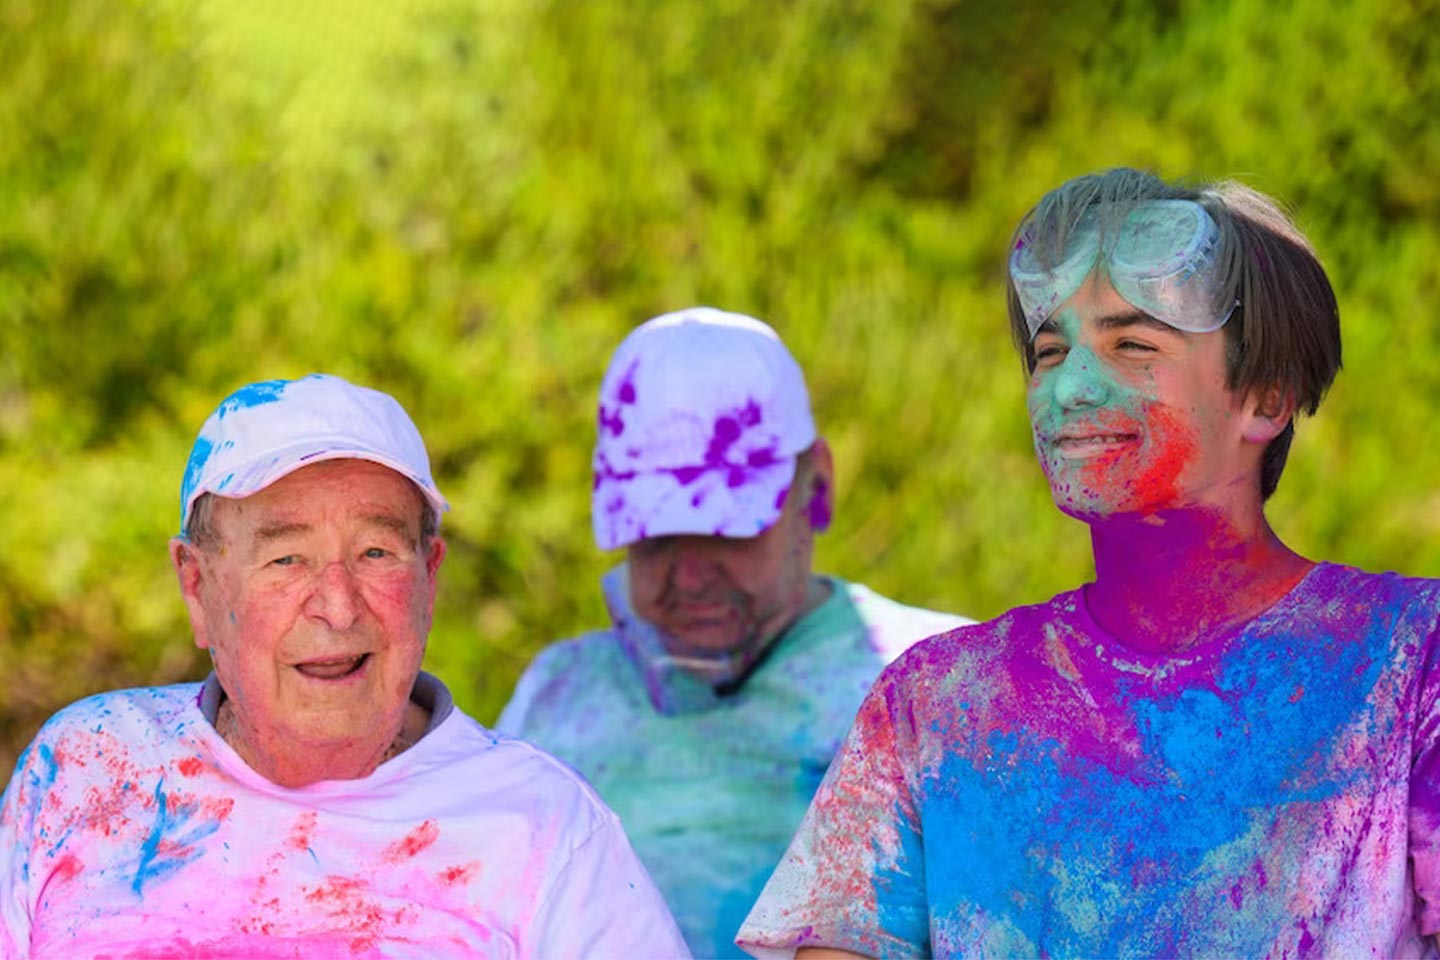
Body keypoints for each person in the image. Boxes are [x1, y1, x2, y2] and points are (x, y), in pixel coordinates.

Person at [736, 169, 1440, 957]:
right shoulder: (939, 702)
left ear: (1266, 400)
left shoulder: (1409, 662)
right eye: (1048, 351)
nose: (1068, 387)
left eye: (1133, 344)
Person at [0, 373, 689, 958]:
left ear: (430, 578)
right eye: (285, 558)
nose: (336, 606)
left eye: (376, 554)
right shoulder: (86, 770)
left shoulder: (541, 827)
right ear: (197, 586)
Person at [497, 307, 970, 959]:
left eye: (727, 532)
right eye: (655, 537)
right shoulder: (556, 692)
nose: (689, 578)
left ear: (819, 490)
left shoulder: (938, 682)